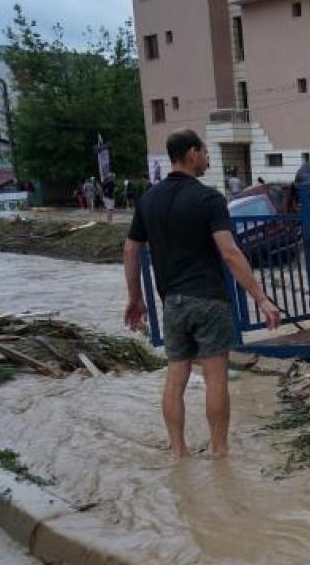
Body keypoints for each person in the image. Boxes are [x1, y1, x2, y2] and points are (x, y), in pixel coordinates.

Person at [122, 129, 282, 459]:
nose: (208, 159)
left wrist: (135, 298)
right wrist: (262, 299)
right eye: (206, 153)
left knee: (176, 377)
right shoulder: (209, 199)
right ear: (192, 153)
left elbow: (130, 250)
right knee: (215, 379)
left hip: (172, 303)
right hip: (208, 299)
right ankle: (219, 451)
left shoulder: (148, 200)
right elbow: (230, 252)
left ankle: (179, 451)